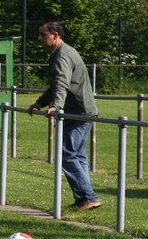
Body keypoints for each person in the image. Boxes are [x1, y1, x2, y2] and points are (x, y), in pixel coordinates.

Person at [28, 20, 102, 211]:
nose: (39, 38)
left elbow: (61, 82)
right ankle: (83, 198)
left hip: (79, 112)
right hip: (79, 111)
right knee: (77, 156)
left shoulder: (62, 55)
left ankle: (89, 197)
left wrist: (56, 106)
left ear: (56, 36)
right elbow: (55, 85)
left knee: (67, 155)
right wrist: (41, 102)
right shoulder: (60, 53)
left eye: (43, 35)